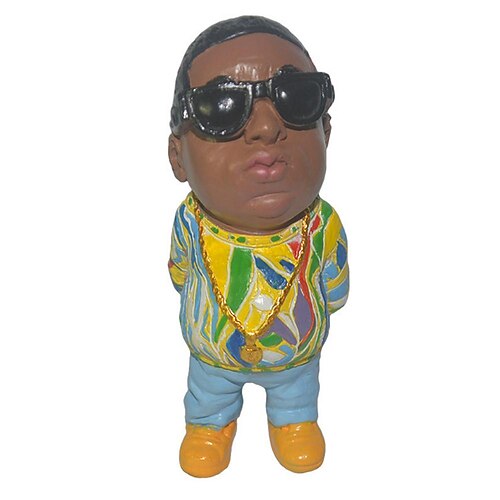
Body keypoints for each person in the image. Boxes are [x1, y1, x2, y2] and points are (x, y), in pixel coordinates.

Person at [167, 15, 349, 477]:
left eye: (297, 98)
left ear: (326, 132)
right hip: (213, 353)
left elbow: (335, 282)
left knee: (297, 389)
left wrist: (330, 298)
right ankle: (209, 424)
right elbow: (180, 269)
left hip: (294, 356)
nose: (266, 128)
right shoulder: (191, 220)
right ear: (178, 157)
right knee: (208, 390)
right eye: (221, 106)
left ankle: (293, 420)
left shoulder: (320, 223)